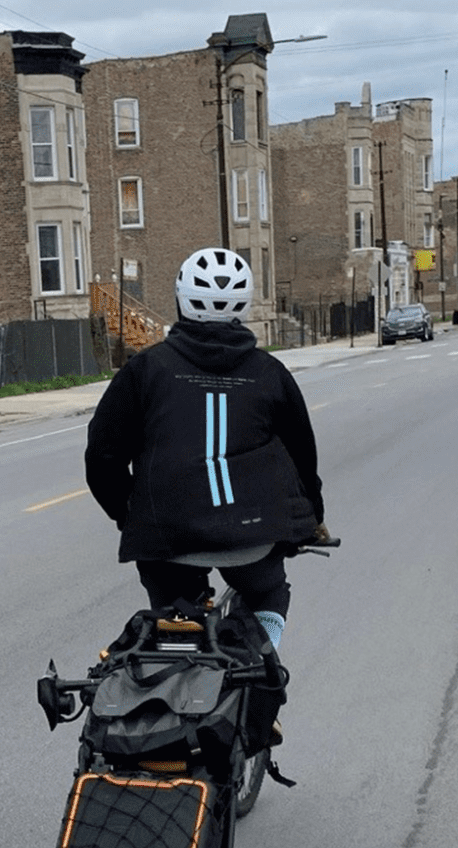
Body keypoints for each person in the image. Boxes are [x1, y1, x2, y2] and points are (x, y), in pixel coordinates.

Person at [84, 247, 327, 653]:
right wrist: (312, 518)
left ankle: (176, 670)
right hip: (254, 537)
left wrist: (130, 515)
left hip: (167, 539)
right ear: (244, 307)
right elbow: (303, 460)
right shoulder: (271, 374)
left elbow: (102, 458)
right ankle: (260, 672)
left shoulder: (145, 370)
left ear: (180, 301)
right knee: (269, 594)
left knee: (173, 623)